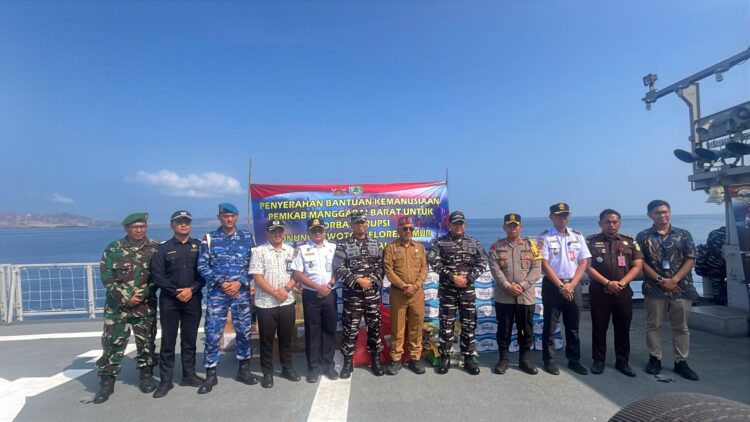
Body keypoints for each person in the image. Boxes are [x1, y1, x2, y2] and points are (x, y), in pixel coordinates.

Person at [93, 212, 160, 404]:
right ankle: (107, 382)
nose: (139, 230)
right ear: (126, 229)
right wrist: (125, 297)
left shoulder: (155, 248)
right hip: (117, 308)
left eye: (142, 226)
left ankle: (146, 376)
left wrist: (143, 294)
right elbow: (106, 276)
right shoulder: (113, 249)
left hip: (144, 305)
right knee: (112, 344)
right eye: (135, 227)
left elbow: (159, 276)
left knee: (146, 342)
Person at [636, 199, 700, 381]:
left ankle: (681, 361)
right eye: (657, 212)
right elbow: (641, 262)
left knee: (681, 327)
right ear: (650, 215)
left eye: (665, 212)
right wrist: (660, 279)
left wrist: (675, 279)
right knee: (653, 325)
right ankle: (655, 358)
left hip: (681, 288)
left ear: (670, 213)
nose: (662, 215)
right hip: (654, 288)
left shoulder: (683, 234)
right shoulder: (643, 236)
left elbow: (690, 258)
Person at [197, 203, 257, 394]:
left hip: (241, 293)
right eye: (225, 216)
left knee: (244, 331)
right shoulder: (209, 238)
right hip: (217, 293)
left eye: (232, 216)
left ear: (236, 217)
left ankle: (244, 370)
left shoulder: (247, 237)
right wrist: (223, 283)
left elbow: (254, 265)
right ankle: (210, 373)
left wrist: (240, 282)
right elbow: (202, 266)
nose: (229, 219)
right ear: (219, 217)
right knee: (213, 333)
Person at [150, 210, 206, 398]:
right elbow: (157, 275)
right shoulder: (162, 248)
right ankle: (166, 381)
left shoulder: (198, 247)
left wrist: (192, 289)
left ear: (190, 225)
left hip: (193, 298)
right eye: (179, 222)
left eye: (186, 222)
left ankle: (188, 375)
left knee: (189, 340)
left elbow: (204, 272)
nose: (183, 225)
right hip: (169, 301)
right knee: (168, 341)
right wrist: (176, 292)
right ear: (172, 225)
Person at [427, 210, 487, 375]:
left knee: (469, 324)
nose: (458, 226)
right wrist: (452, 277)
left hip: (467, 290)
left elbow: (482, 262)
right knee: (446, 325)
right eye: (455, 223)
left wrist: (468, 278)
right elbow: (433, 261)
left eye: (461, 223)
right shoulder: (440, 243)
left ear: (465, 225)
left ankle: (468, 358)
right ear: (449, 225)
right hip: (448, 291)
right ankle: (445, 357)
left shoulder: (473, 242)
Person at [585, 209, 643, 377]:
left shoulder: (629, 242)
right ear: (600, 223)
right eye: (607, 222)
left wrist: (622, 283)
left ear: (619, 223)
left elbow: (637, 266)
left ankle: (622, 361)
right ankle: (598, 360)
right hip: (599, 292)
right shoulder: (591, 242)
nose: (611, 225)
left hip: (623, 292)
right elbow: (587, 267)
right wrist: (607, 283)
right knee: (599, 328)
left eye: (614, 222)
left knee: (623, 329)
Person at [538, 202, 591, 376]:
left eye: (565, 215)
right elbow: (544, 264)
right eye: (559, 215)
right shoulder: (544, 237)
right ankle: (549, 360)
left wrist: (572, 285)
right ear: (551, 217)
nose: (563, 218)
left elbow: (584, 261)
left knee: (573, 325)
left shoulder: (577, 235)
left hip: (573, 285)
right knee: (550, 324)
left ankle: (574, 360)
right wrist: (561, 286)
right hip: (553, 286)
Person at [487, 213, 542, 375]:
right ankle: (503, 359)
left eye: (515, 225)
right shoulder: (496, 247)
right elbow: (494, 268)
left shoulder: (531, 246)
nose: (513, 228)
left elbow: (536, 269)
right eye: (509, 225)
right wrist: (506, 285)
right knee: (504, 329)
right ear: (504, 227)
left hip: (525, 297)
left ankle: (525, 359)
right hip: (504, 296)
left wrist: (522, 285)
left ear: (520, 227)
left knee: (526, 329)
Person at [249, 219, 301, 388]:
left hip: (286, 301)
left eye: (280, 231)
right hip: (266, 304)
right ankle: (267, 373)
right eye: (273, 231)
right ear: (267, 233)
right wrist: (274, 292)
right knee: (267, 340)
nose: (277, 234)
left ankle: (287, 368)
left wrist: (286, 289)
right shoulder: (259, 251)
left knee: (286, 338)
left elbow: (296, 274)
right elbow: (257, 276)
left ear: (283, 232)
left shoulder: (291, 251)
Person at [333, 210, 385, 379]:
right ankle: (348, 361)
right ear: (351, 225)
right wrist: (357, 280)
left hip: (371, 294)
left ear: (366, 224)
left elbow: (382, 267)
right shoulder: (343, 245)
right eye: (356, 223)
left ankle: (375, 359)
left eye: (362, 222)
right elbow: (338, 266)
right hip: (353, 295)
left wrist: (371, 280)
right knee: (350, 328)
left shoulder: (376, 244)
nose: (359, 225)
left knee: (374, 328)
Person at [291, 218, 339, 383]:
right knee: (312, 332)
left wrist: (330, 285)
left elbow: (338, 269)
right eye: (313, 230)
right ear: (308, 232)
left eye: (319, 230)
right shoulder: (301, 249)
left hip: (330, 293)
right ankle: (314, 367)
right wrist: (317, 287)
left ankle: (328, 364)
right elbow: (298, 274)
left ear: (324, 230)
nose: (317, 233)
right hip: (311, 295)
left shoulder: (333, 247)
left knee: (329, 330)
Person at [383, 216, 428, 375]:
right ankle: (396, 359)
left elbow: (424, 269)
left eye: (411, 228)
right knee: (398, 327)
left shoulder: (420, 248)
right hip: (398, 294)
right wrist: (403, 286)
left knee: (416, 326)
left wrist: (415, 286)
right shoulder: (391, 248)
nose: (408, 231)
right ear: (398, 230)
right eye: (405, 228)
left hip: (416, 294)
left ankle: (415, 359)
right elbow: (388, 270)